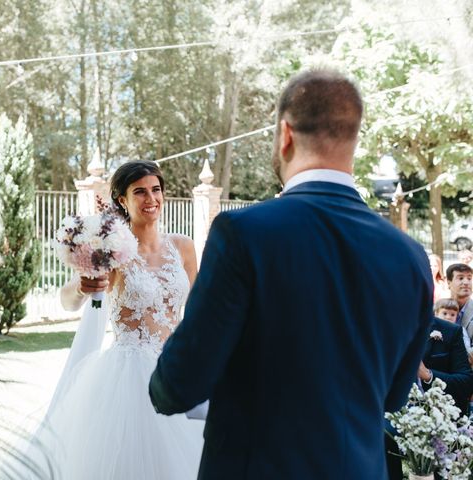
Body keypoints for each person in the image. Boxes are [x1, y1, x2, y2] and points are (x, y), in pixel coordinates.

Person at [149, 69, 433, 479]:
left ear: (285, 134)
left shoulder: (242, 234)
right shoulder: (410, 256)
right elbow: (393, 395)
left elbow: (177, 385)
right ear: (353, 138)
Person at [22, 161, 204, 480]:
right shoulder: (114, 250)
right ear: (122, 200)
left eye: (156, 190)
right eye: (140, 192)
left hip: (175, 367)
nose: (151, 199)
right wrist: (81, 286)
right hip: (129, 376)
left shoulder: (183, 247)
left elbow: (199, 309)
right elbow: (68, 300)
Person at [386, 312, 473, 480]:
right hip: (393, 417)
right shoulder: (385, 330)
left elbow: (466, 382)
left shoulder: (450, 331)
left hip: (437, 421)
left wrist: (427, 375)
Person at [448, 263, 473, 338]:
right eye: (460, 278)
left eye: (469, 278)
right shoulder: (437, 309)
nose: (466, 282)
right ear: (449, 283)